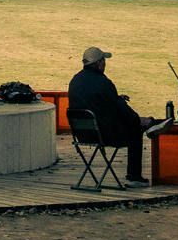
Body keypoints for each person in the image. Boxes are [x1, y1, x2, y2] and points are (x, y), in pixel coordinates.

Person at [68, 46, 172, 188]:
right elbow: (120, 110)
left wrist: (116, 99)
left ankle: (151, 124)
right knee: (135, 130)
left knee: (132, 122)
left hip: (83, 134)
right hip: (104, 134)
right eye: (104, 61)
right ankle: (134, 176)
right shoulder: (103, 82)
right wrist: (136, 119)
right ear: (99, 63)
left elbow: (95, 103)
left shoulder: (75, 81)